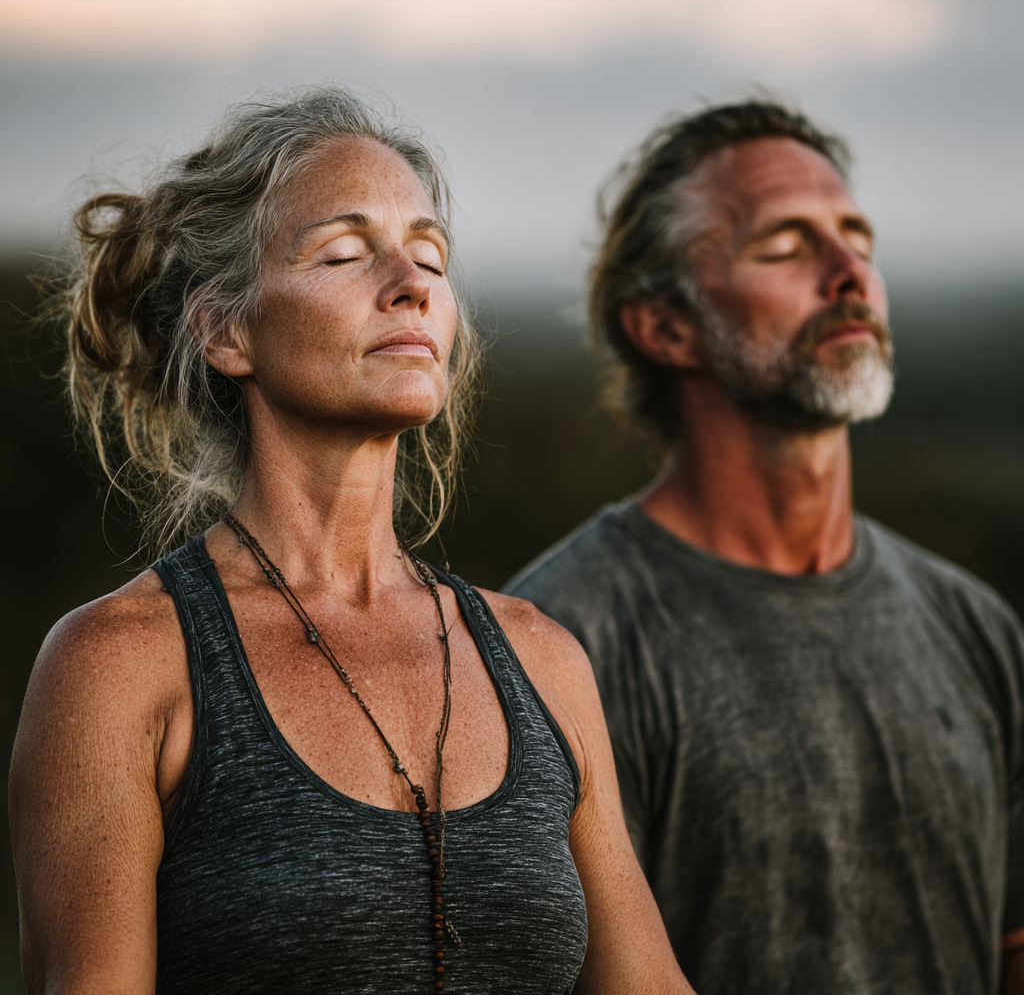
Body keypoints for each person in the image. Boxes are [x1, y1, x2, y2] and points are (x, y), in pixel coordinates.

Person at [8, 87, 694, 995]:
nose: (412, 282)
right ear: (225, 329)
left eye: (431, 256)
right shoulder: (121, 665)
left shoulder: (541, 660)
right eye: (342, 251)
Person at [506, 100, 1024, 995]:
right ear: (663, 327)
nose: (848, 273)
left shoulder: (978, 629)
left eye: (857, 237)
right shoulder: (561, 645)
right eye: (785, 246)